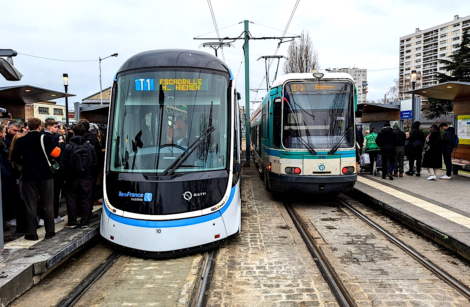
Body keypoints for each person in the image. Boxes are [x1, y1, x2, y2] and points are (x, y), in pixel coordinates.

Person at [11, 118, 61, 240]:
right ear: (40, 127)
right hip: (46, 175)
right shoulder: (47, 139)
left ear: (29, 127)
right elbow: (57, 153)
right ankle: (50, 231)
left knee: (30, 205)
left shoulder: (22, 140)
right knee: (48, 204)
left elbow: (14, 157)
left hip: (29, 176)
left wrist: (25, 164)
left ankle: (32, 233)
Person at [61, 123, 98, 228]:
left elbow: (63, 163)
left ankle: (72, 222)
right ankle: (84, 222)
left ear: (73, 133)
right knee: (86, 199)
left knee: (71, 199)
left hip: (71, 178)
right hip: (86, 177)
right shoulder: (89, 146)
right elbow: (95, 162)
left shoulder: (69, 146)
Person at [43, 119, 65, 224]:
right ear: (49, 127)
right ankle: (55, 216)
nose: (57, 129)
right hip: (54, 170)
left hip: (43, 170)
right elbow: (57, 154)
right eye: (55, 127)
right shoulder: (54, 139)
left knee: (44, 195)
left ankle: (43, 218)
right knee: (55, 194)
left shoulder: (40, 136)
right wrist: (61, 146)